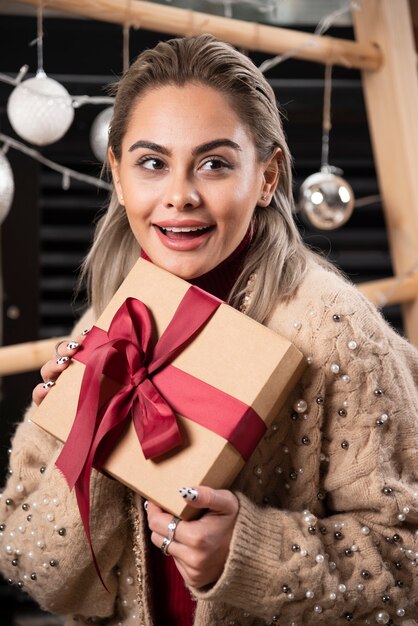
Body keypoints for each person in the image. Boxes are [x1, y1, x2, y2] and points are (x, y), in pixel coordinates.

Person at [1, 33, 418, 626]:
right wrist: (85, 446)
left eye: (215, 163)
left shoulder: (339, 333)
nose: (180, 196)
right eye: (152, 163)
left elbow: (407, 565)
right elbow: (27, 561)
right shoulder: (107, 324)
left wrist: (249, 553)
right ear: (118, 175)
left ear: (269, 176)